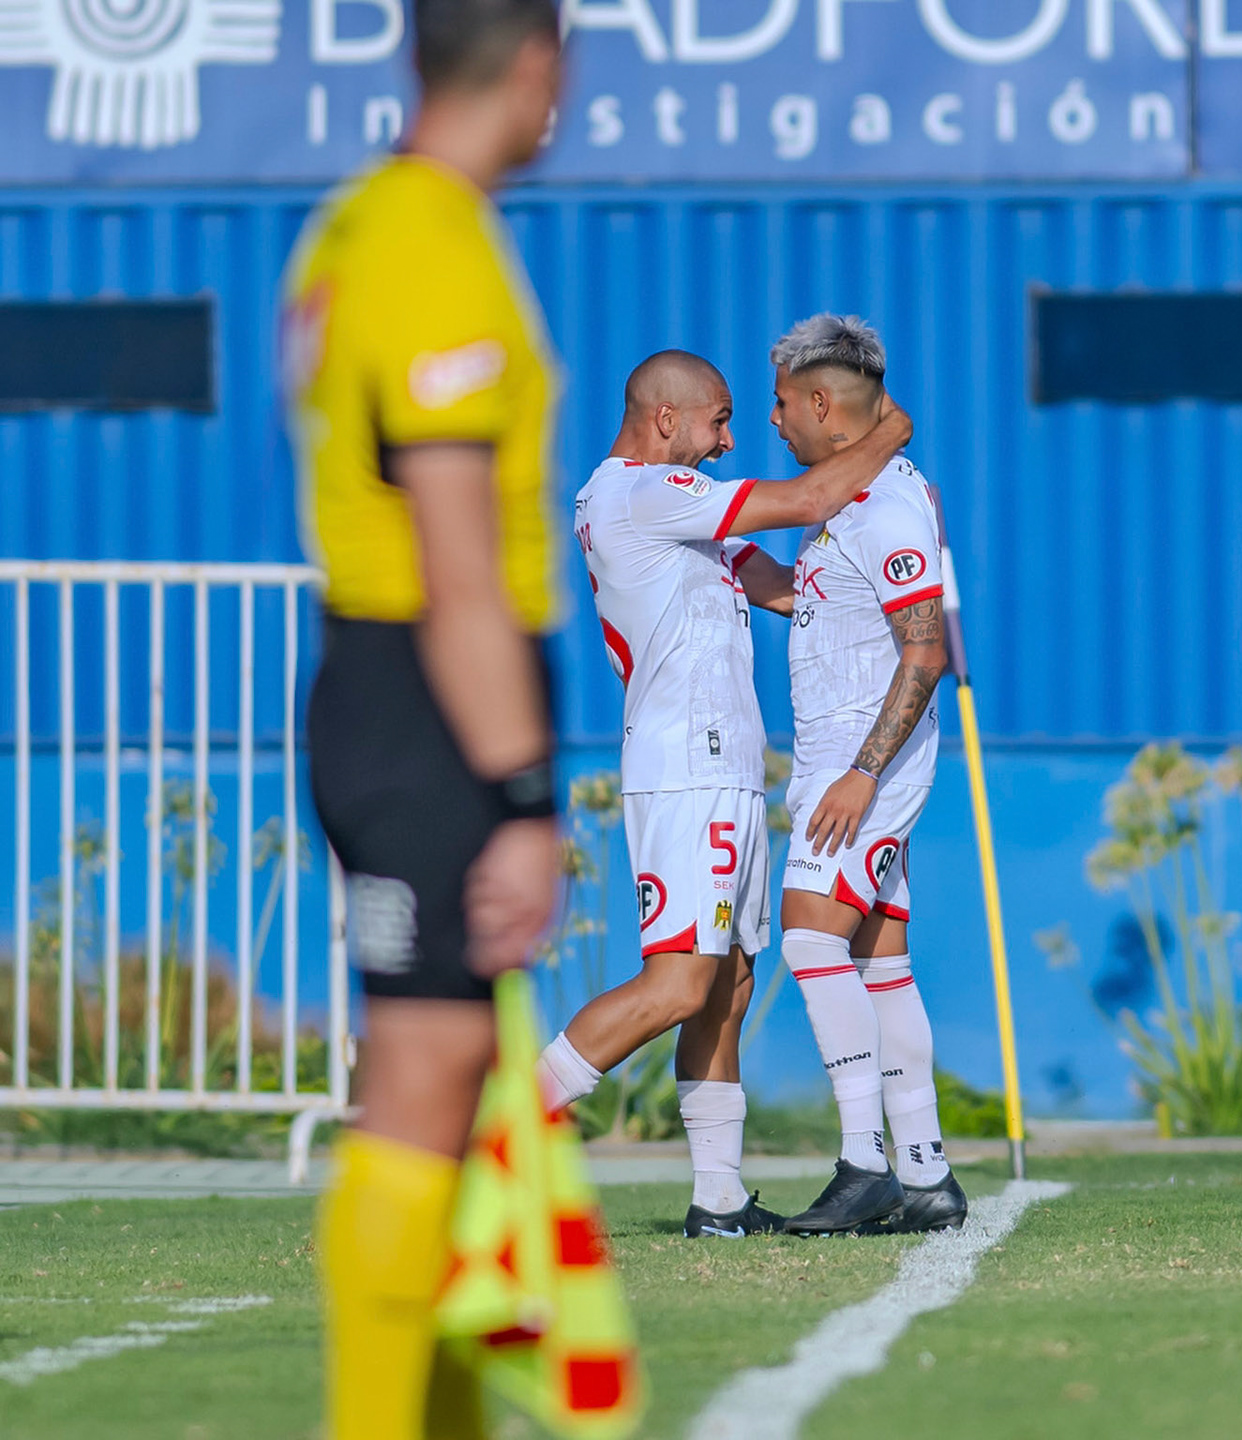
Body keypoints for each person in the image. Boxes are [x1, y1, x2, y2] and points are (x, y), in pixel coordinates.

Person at [280, 0, 566, 1434]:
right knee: (426, 1078)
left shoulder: (354, 225)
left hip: (379, 686)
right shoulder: (433, 249)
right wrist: (520, 802)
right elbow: (459, 562)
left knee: (441, 1094)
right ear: (535, 66)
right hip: (428, 704)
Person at [535, 350, 911, 1240]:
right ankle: (504, 1134)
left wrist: (905, 594)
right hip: (683, 769)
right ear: (666, 420)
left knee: (728, 986)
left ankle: (717, 1198)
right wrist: (889, 436)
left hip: (729, 769)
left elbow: (790, 590)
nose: (730, 440)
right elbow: (808, 501)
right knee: (677, 983)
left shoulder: (682, 514)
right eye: (719, 421)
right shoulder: (639, 493)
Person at [759, 315, 966, 1237]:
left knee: (809, 937)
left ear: (818, 405)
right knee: (882, 961)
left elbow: (924, 654)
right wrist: (723, 558)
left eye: (778, 406)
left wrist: (861, 777)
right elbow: (823, 606)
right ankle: (923, 1171)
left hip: (863, 764)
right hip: (837, 756)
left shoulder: (885, 505)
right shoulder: (849, 499)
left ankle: (862, 1163)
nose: (772, 422)